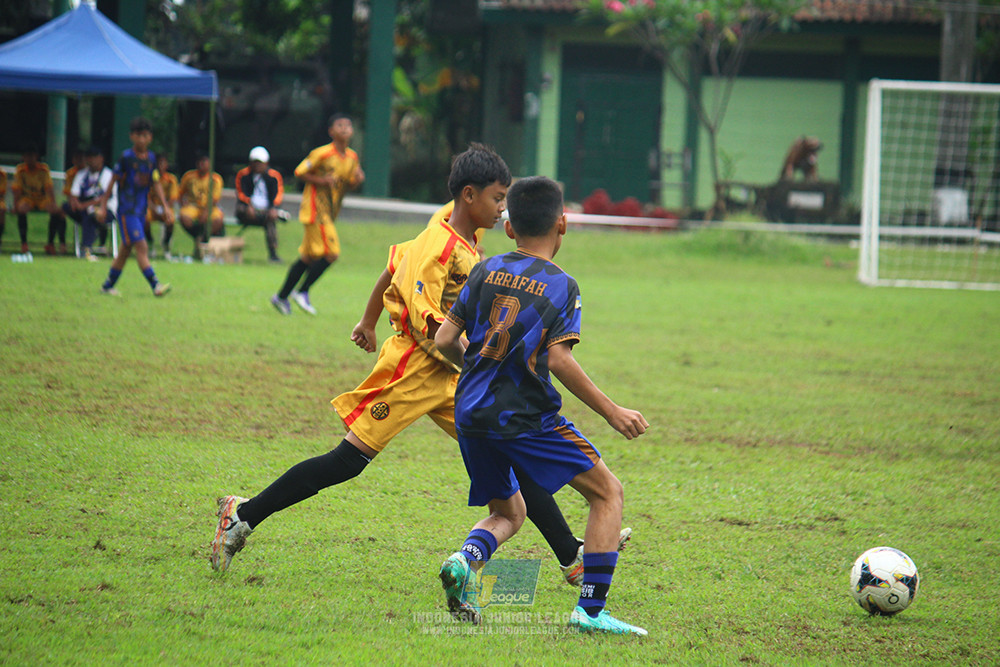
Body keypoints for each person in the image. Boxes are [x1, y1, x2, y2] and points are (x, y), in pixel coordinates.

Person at [211, 145, 629, 586]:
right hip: (414, 369)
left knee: (511, 446)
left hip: (457, 375)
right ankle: (242, 514)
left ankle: (570, 555)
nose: (502, 207)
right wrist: (465, 350)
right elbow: (421, 306)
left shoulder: (466, 242)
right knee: (347, 461)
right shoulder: (439, 241)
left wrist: (367, 320)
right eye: (496, 197)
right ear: (469, 196)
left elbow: (391, 265)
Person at [435, 175, 649, 635]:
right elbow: (559, 358)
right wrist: (612, 412)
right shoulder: (561, 285)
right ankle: (591, 612)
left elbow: (445, 338)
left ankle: (462, 562)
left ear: (509, 228)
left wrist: (474, 370)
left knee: (510, 512)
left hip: (470, 413)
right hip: (526, 418)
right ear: (563, 224)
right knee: (607, 493)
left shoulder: (483, 268)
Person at [270, 113, 364, 316]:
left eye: (348, 125)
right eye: (340, 125)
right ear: (331, 131)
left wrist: (357, 180)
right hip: (315, 210)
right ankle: (302, 292)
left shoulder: (352, 158)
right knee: (332, 253)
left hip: (330, 212)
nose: (345, 128)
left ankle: (281, 296)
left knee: (308, 257)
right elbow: (299, 172)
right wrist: (322, 181)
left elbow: (349, 183)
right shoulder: (322, 153)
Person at [96, 117, 172, 297]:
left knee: (125, 250)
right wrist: (103, 205)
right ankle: (155, 285)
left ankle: (107, 286)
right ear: (132, 137)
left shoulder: (151, 159)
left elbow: (156, 183)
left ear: (150, 138)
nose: (142, 139)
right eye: (138, 136)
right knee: (141, 246)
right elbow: (112, 181)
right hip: (126, 211)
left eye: (145, 136)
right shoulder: (126, 158)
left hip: (140, 211)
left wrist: (166, 207)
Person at [235, 146, 285, 263]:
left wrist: (273, 208)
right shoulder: (243, 175)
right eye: (255, 162)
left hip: (266, 211)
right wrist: (249, 205)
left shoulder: (273, 176)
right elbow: (241, 192)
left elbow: (278, 195)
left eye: (260, 163)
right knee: (241, 209)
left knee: (271, 221)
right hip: (247, 209)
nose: (257, 166)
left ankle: (273, 254)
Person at [11, 145, 64, 255]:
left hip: (42, 199)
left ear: (36, 156)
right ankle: (24, 243)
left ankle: (50, 243)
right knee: (22, 209)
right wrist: (15, 205)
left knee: (55, 211)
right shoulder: (20, 170)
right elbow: (17, 189)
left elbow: (49, 188)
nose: (30, 159)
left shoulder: (43, 169)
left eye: (32, 156)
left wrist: (53, 203)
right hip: (27, 198)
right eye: (27, 156)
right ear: (23, 157)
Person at [68, 146, 116, 261]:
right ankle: (86, 247)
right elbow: (74, 193)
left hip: (105, 208)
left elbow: (105, 196)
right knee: (68, 208)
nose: (91, 160)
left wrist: (84, 205)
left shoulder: (108, 175)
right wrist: (75, 203)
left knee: (90, 215)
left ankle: (86, 247)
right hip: (85, 208)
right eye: (89, 157)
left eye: (94, 157)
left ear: (101, 159)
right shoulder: (82, 174)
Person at [178, 153, 225, 257]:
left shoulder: (215, 178)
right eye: (200, 162)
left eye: (204, 162)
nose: (201, 165)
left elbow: (214, 199)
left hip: (209, 207)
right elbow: (180, 193)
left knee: (218, 219)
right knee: (184, 216)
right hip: (193, 206)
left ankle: (202, 239)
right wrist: (182, 204)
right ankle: (197, 236)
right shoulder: (189, 176)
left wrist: (205, 212)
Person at [147, 154, 179, 259]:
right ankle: (150, 243)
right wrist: (154, 208)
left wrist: (164, 208)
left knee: (170, 218)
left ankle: (166, 244)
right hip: (152, 207)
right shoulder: (150, 177)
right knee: (144, 217)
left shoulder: (171, 179)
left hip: (165, 207)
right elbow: (146, 197)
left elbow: (173, 198)